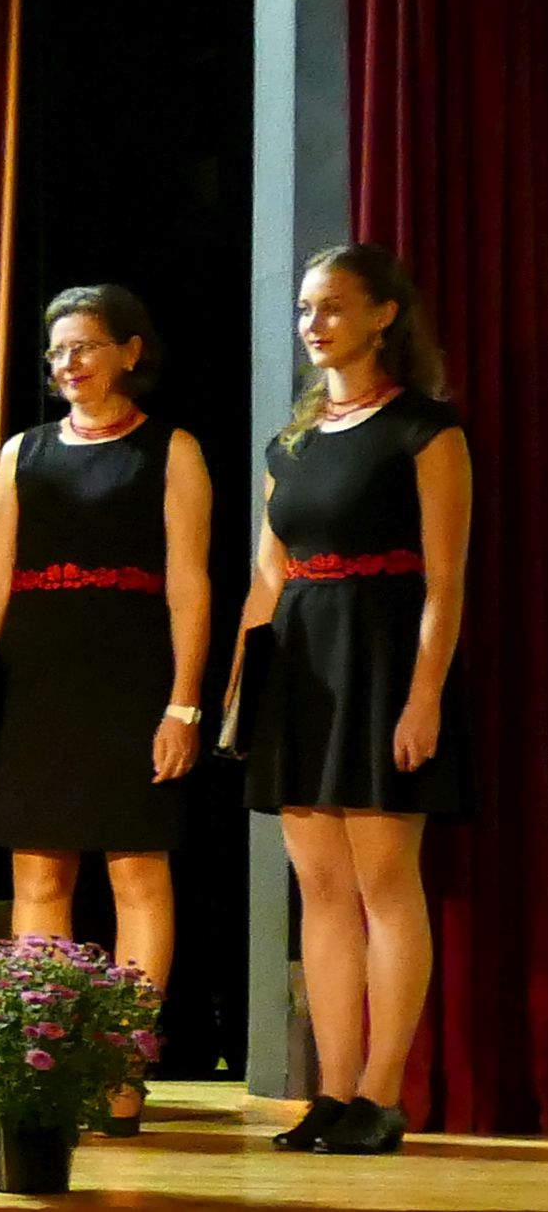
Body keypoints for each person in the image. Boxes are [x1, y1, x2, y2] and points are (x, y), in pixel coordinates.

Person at [0, 285, 211, 1136]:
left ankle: (123, 1071)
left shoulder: (171, 450)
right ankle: (45, 1065)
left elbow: (189, 585)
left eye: (85, 346)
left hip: (131, 678)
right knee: (38, 876)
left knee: (136, 873)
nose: (68, 364)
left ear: (129, 351)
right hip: (35, 679)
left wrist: (183, 704)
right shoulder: (20, 452)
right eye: (56, 352)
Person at [233, 244, 469, 1156]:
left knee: (383, 882)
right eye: (303, 308)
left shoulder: (425, 430)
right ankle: (330, 1092)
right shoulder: (287, 445)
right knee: (320, 891)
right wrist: (240, 691)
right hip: (300, 670)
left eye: (331, 306)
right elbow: (268, 574)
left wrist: (423, 695)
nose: (312, 323)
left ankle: (380, 1093)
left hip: (380, 660)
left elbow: (444, 579)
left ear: (382, 315)